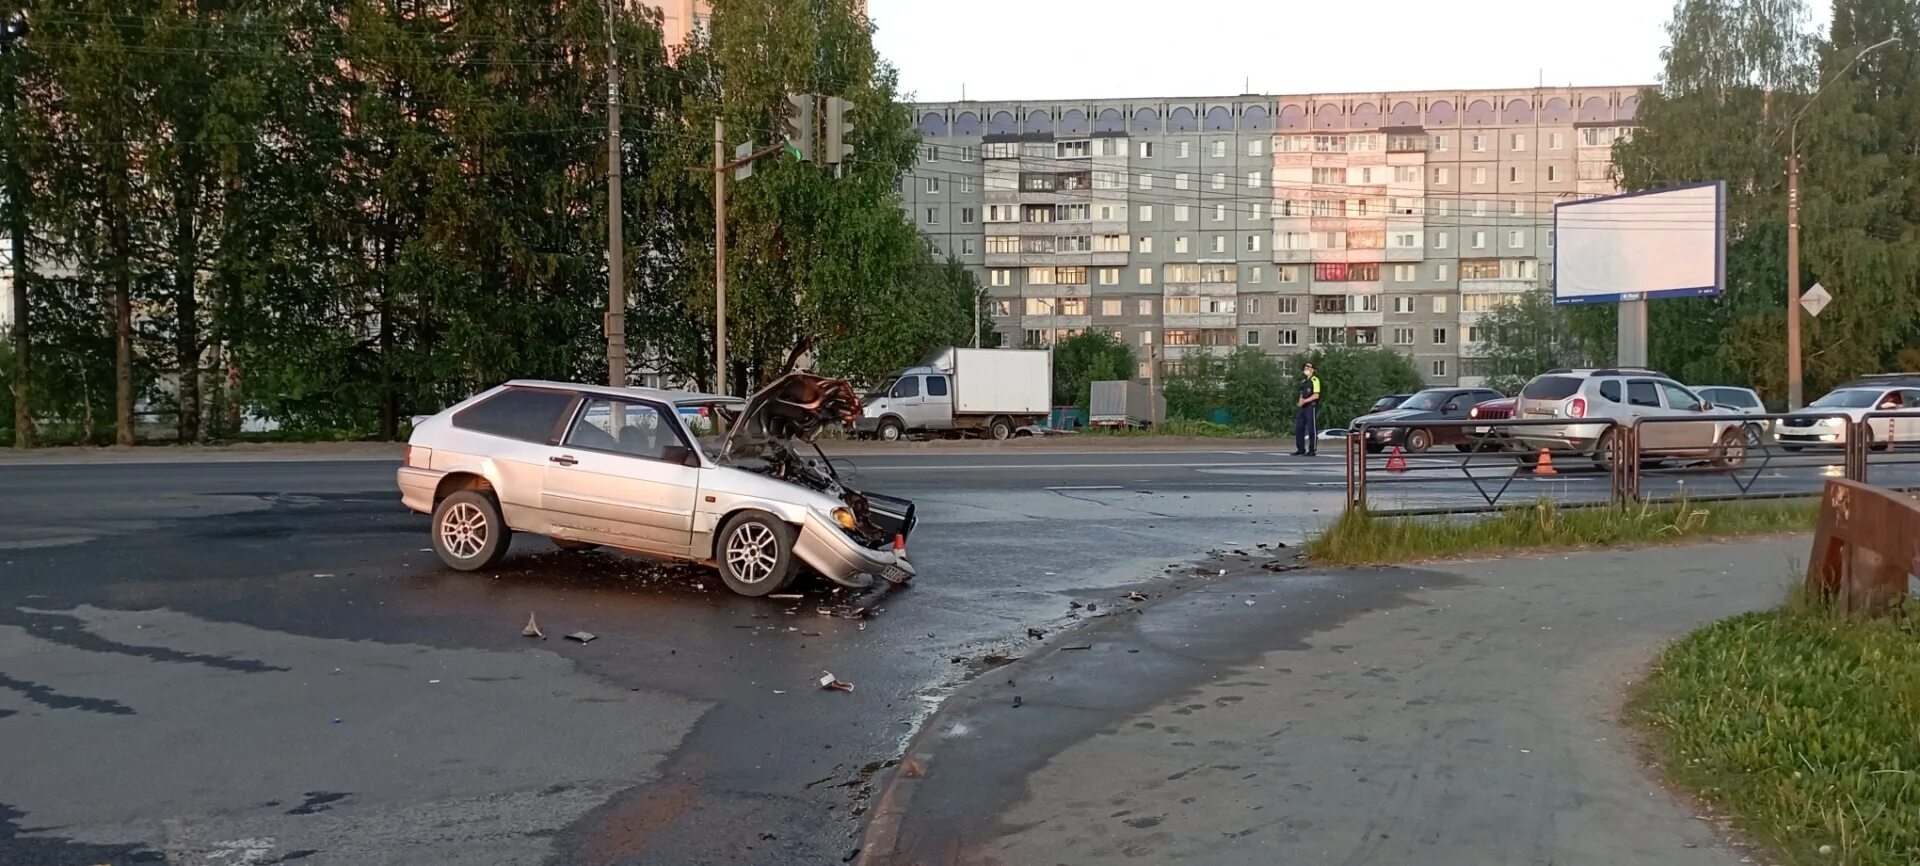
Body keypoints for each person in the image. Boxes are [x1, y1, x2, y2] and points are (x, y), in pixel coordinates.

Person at [1293, 362, 1322, 456]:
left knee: (1311, 428)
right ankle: (1300, 448)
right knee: (1299, 427)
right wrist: (1300, 401)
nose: (1306, 369)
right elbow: (1302, 393)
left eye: (1308, 367)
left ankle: (1312, 449)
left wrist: (1305, 401)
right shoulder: (1304, 381)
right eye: (1305, 367)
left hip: (1311, 406)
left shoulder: (1315, 380)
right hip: (1303, 407)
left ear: (1312, 369)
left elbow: (1316, 395)